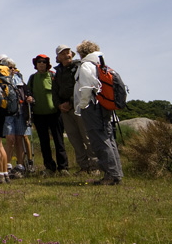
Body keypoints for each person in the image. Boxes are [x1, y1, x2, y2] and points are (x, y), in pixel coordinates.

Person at [74, 40, 124, 185]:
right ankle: (116, 173)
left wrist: (82, 106)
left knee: (99, 140)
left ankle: (110, 175)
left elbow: (85, 89)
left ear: (82, 53)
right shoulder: (101, 65)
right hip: (103, 106)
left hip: (92, 106)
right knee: (109, 139)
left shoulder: (86, 66)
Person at [52, 44, 99, 174]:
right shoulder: (58, 72)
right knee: (74, 138)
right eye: (63, 53)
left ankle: (95, 166)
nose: (67, 55)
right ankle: (84, 166)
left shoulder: (79, 67)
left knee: (87, 136)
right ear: (58, 57)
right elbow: (54, 91)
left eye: (68, 52)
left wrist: (71, 103)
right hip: (65, 111)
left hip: (80, 107)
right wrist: (59, 105)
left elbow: (82, 87)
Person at [27, 54, 69, 175]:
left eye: (44, 62)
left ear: (47, 64)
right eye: (39, 62)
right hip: (39, 115)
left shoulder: (53, 76)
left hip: (55, 114)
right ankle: (49, 167)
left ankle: (63, 167)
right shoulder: (33, 78)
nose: (41, 64)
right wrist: (28, 97)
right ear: (36, 64)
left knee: (58, 141)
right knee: (44, 142)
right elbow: (28, 92)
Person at [1, 57, 32, 179]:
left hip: (20, 111)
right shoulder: (1, 80)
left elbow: (27, 92)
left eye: (13, 67)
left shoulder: (19, 79)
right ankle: (7, 166)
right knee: (10, 138)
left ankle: (20, 166)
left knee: (20, 138)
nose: (12, 69)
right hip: (8, 112)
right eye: (9, 68)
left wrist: (29, 98)